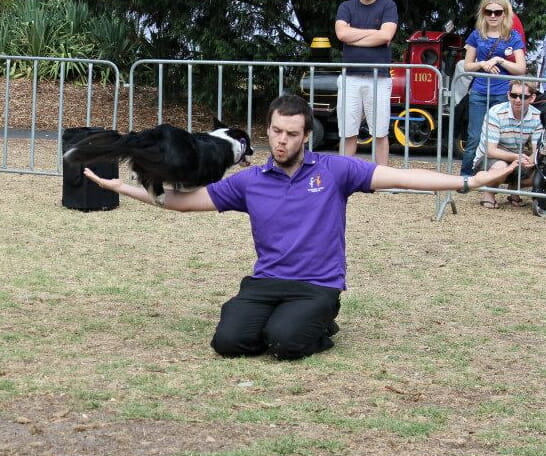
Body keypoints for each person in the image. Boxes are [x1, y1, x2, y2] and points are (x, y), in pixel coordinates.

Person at [84, 94, 518, 361]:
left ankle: (319, 326)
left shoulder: (335, 170)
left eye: (291, 133)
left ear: (306, 135)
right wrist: (123, 186)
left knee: (287, 344)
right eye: (275, 131)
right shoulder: (250, 181)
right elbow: (184, 202)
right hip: (265, 282)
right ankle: (279, 320)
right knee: (228, 343)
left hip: (317, 285)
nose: (281, 141)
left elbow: (402, 176)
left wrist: (468, 181)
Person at [459, 0, 526, 177]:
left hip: (503, 94)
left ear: (505, 13)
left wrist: (500, 60)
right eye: (489, 12)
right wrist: (482, 64)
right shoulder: (476, 35)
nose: (493, 15)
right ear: (483, 13)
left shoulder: (513, 37)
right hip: (479, 92)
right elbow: (467, 66)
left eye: (498, 12)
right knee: (474, 136)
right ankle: (466, 176)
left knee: (503, 139)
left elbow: (521, 69)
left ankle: (502, 177)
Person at [335, 0, 398, 165]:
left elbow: (386, 35)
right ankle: (344, 176)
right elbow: (341, 34)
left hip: (379, 79)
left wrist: (352, 36)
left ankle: (382, 177)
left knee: (380, 132)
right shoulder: (346, 6)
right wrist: (374, 34)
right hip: (349, 78)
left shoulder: (388, 5)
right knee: (347, 132)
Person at [473, 80, 543, 209]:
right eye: (513, 95)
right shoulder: (496, 112)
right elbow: (491, 151)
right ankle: (489, 195)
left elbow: (536, 149)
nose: (517, 100)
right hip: (488, 160)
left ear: (532, 98)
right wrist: (517, 157)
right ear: (508, 95)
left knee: (541, 170)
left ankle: (513, 190)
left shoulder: (537, 116)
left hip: (518, 158)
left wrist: (533, 159)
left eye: (523, 96)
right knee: (500, 165)